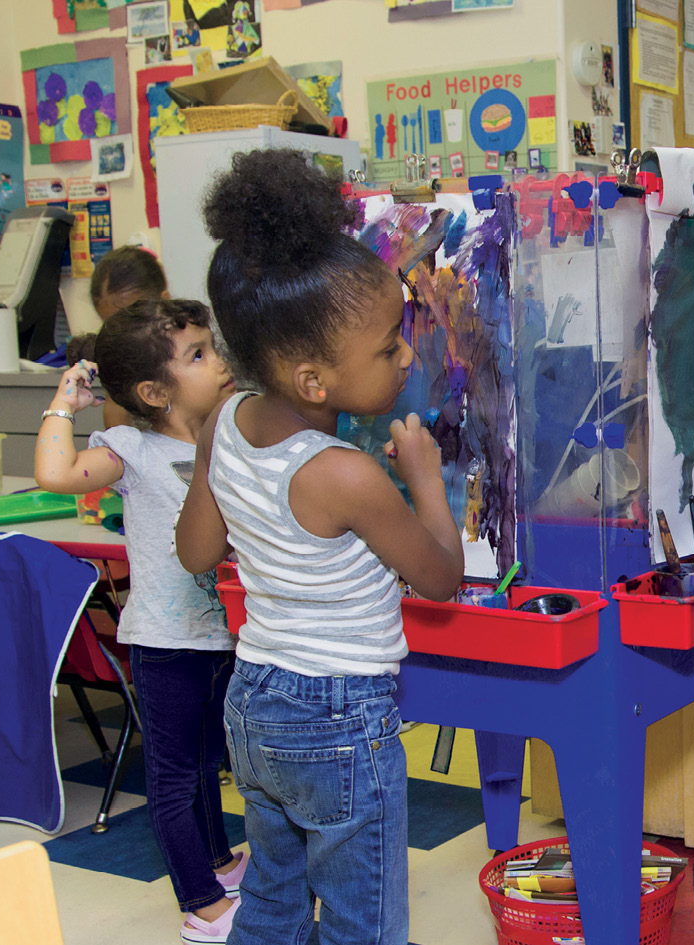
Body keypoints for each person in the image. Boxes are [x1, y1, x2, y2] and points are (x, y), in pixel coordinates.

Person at [175, 148, 464, 945]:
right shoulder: (347, 475)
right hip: (338, 715)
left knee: (270, 903)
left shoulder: (224, 422)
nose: (407, 354)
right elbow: (439, 577)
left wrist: (219, 478)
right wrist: (425, 478)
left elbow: (198, 552)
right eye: (386, 347)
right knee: (361, 922)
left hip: (256, 702)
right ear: (311, 380)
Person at [34, 299, 244, 945]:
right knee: (176, 776)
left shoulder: (221, 434)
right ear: (153, 391)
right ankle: (201, 905)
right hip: (164, 642)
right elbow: (55, 472)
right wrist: (64, 402)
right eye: (199, 355)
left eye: (211, 347)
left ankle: (217, 860)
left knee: (209, 760)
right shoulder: (130, 448)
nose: (219, 361)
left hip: (219, 634)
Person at [90, 245, 171, 428]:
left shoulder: (192, 348)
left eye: (133, 322)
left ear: (165, 301)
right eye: (111, 327)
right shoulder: (119, 357)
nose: (122, 337)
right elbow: (115, 418)